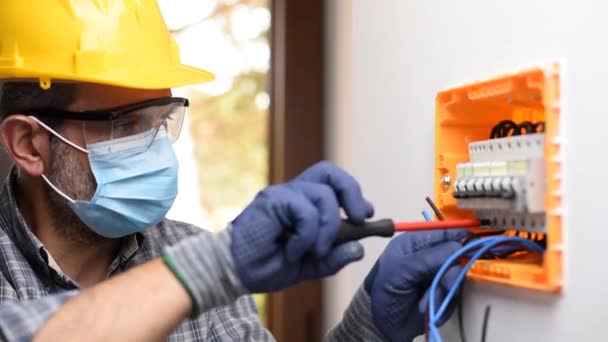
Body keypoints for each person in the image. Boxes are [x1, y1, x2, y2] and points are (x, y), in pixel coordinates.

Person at [0, 1, 466, 341]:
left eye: (159, 119)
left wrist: (370, 329)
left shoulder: (183, 251)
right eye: (125, 125)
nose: (155, 147)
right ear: (29, 144)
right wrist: (219, 265)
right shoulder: (205, 266)